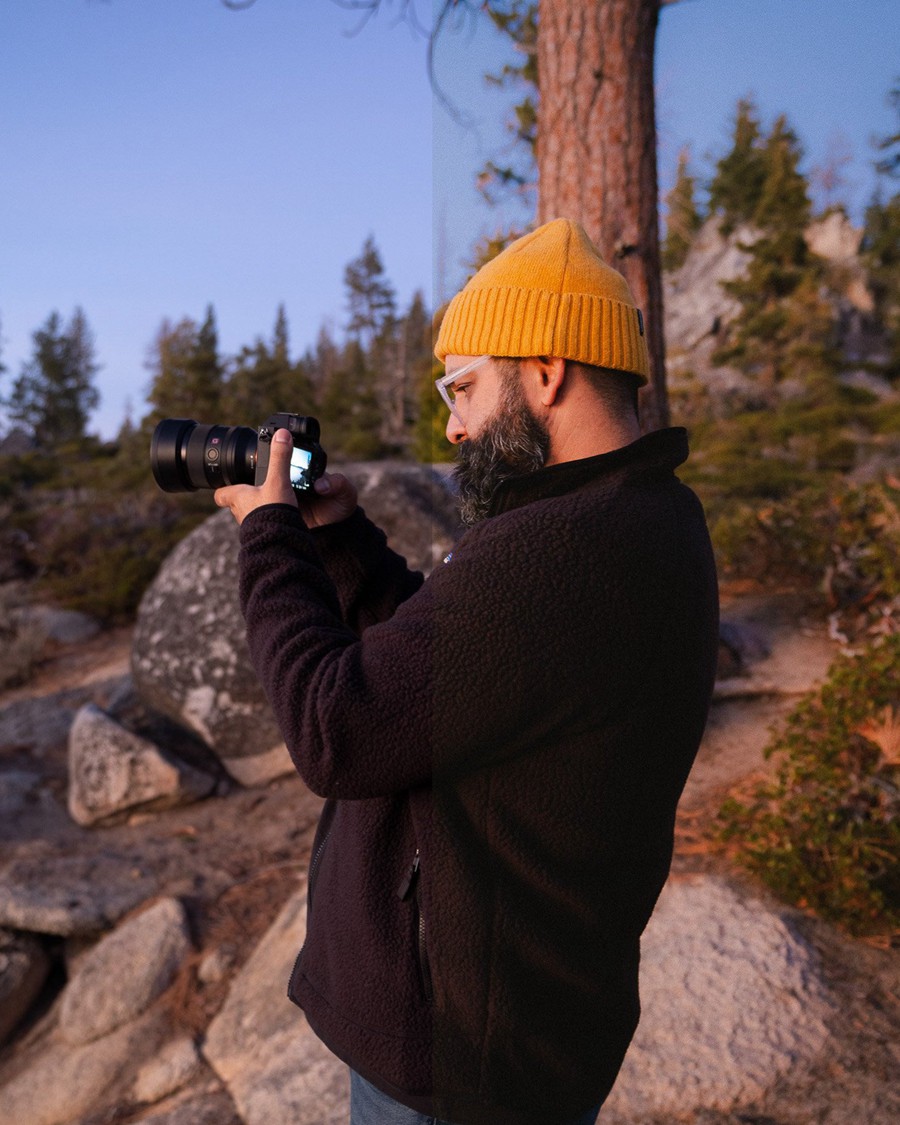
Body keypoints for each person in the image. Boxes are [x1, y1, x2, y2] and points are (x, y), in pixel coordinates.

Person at [214, 218, 720, 1125]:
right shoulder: (649, 518)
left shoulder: (557, 549)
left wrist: (270, 536)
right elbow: (461, 674)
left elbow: (337, 730)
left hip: (459, 1060)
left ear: (546, 370)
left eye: (465, 385)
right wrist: (342, 542)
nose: (452, 423)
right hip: (525, 1025)